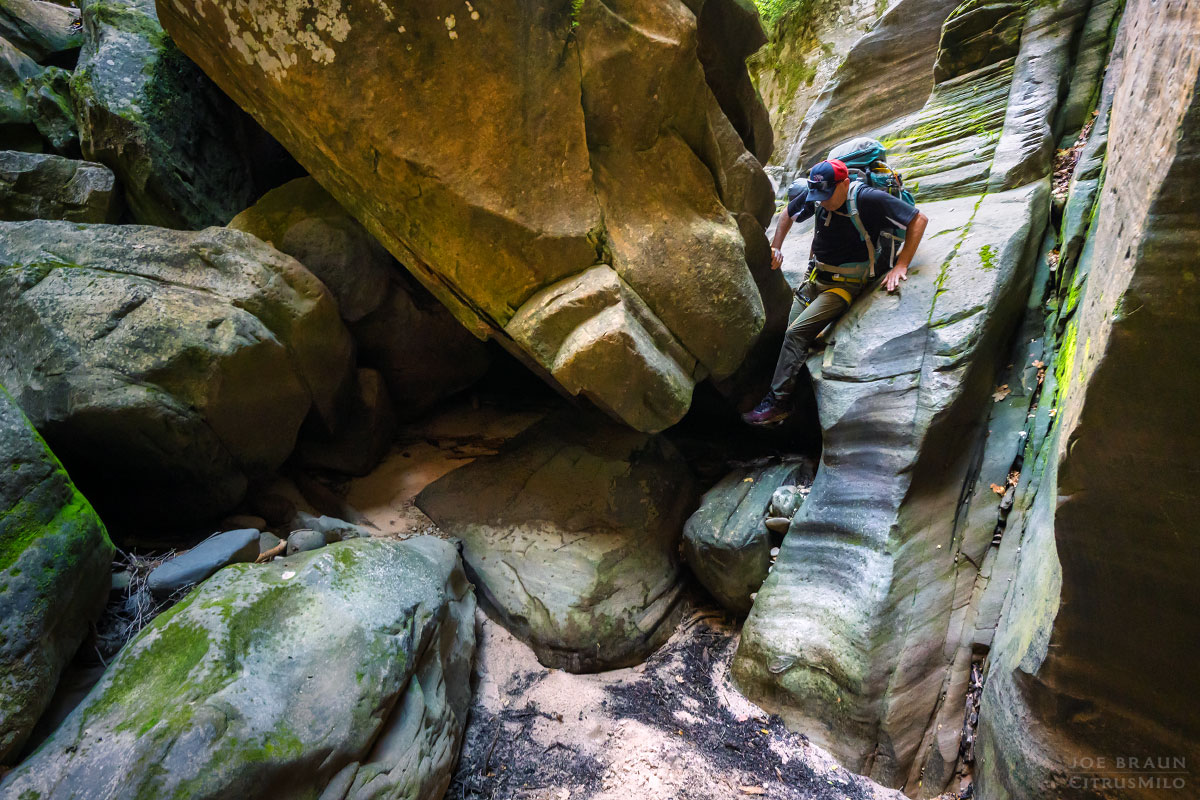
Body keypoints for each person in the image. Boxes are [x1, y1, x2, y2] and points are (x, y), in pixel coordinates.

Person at [743, 158, 928, 425]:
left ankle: (778, 403)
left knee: (796, 334)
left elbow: (918, 219)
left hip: (844, 285)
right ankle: (793, 393)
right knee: (791, 331)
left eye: (828, 195)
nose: (823, 202)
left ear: (844, 183)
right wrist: (776, 247)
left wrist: (901, 264)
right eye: (818, 196)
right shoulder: (818, 195)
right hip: (816, 278)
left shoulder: (866, 198)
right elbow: (787, 215)